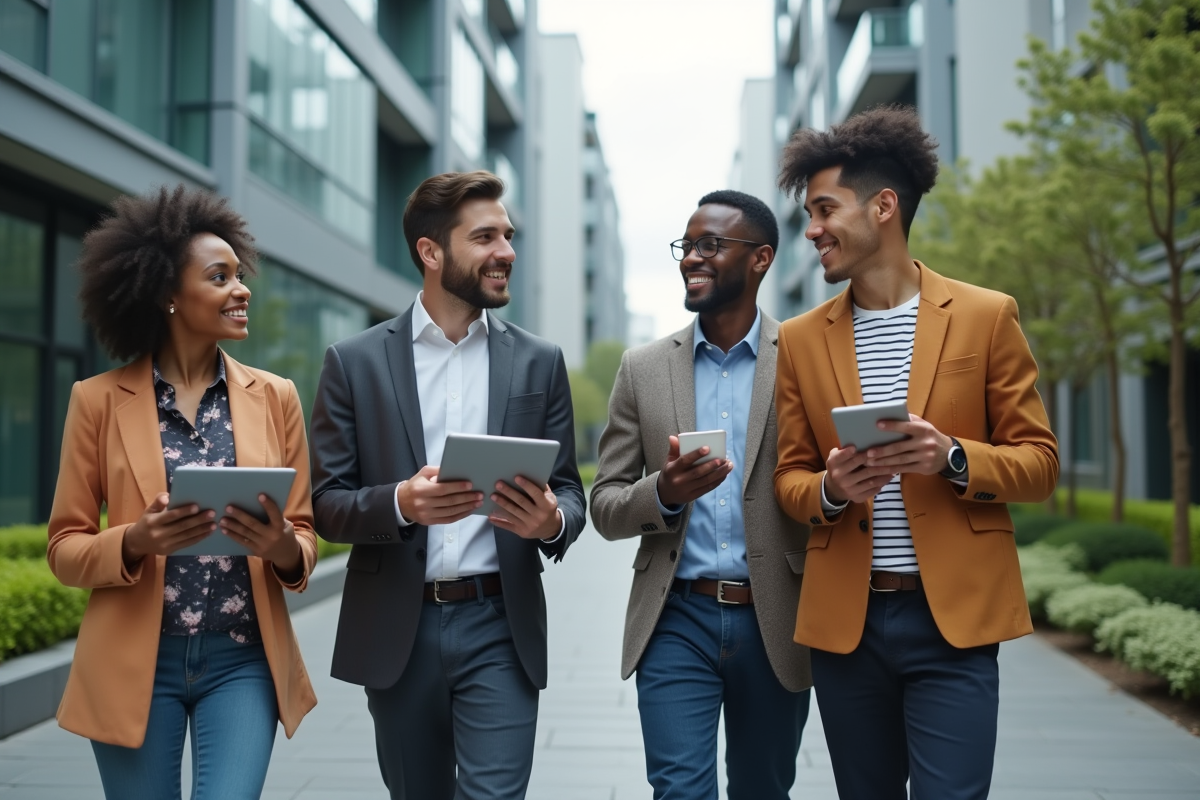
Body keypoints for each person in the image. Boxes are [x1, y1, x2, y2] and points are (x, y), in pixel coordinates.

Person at [772, 105, 1060, 799]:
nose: (811, 230)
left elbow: (1040, 463)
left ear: (884, 207)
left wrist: (953, 456)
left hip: (951, 625)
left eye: (824, 209)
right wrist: (834, 488)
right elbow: (790, 478)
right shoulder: (801, 339)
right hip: (849, 625)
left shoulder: (987, 317)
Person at [309, 170, 586, 800]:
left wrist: (553, 523)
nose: (507, 252)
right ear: (431, 253)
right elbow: (325, 505)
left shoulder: (540, 360)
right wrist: (401, 503)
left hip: (501, 623)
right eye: (485, 237)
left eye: (508, 236)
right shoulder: (354, 363)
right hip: (399, 629)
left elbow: (570, 491)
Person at [47, 185, 319, 799]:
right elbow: (65, 546)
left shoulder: (276, 398)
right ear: (168, 296)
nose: (241, 289)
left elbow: (303, 536)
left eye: (240, 275)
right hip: (134, 664)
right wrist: (134, 541)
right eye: (219, 277)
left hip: (243, 660)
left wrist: (280, 546)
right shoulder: (96, 401)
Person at [590, 190, 812, 800]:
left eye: (711, 245)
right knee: (679, 791)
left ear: (762, 258)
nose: (692, 257)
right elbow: (605, 505)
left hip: (778, 619)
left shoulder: (804, 358)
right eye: (686, 246)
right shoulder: (642, 368)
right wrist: (662, 492)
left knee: (763, 789)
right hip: (674, 618)